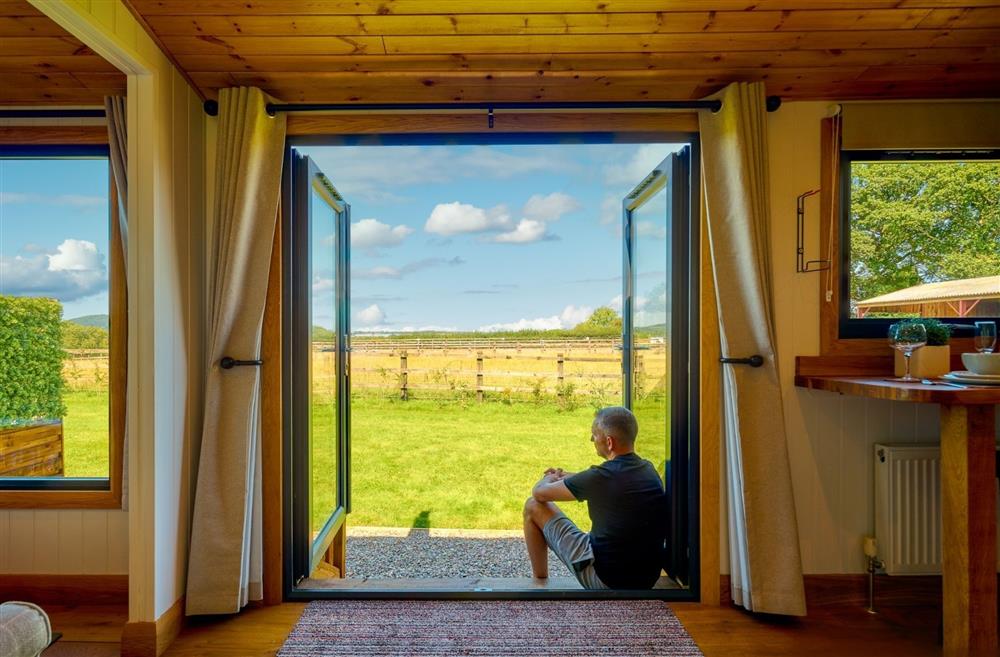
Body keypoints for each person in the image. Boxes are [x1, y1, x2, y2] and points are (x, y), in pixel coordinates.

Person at [523, 406, 667, 590]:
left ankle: (539, 582)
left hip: (607, 581)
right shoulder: (648, 469)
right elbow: (597, 479)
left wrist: (548, 478)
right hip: (646, 579)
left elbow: (540, 492)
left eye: (594, 434)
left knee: (532, 505)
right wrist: (565, 475)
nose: (592, 439)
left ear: (609, 442)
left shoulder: (600, 478)